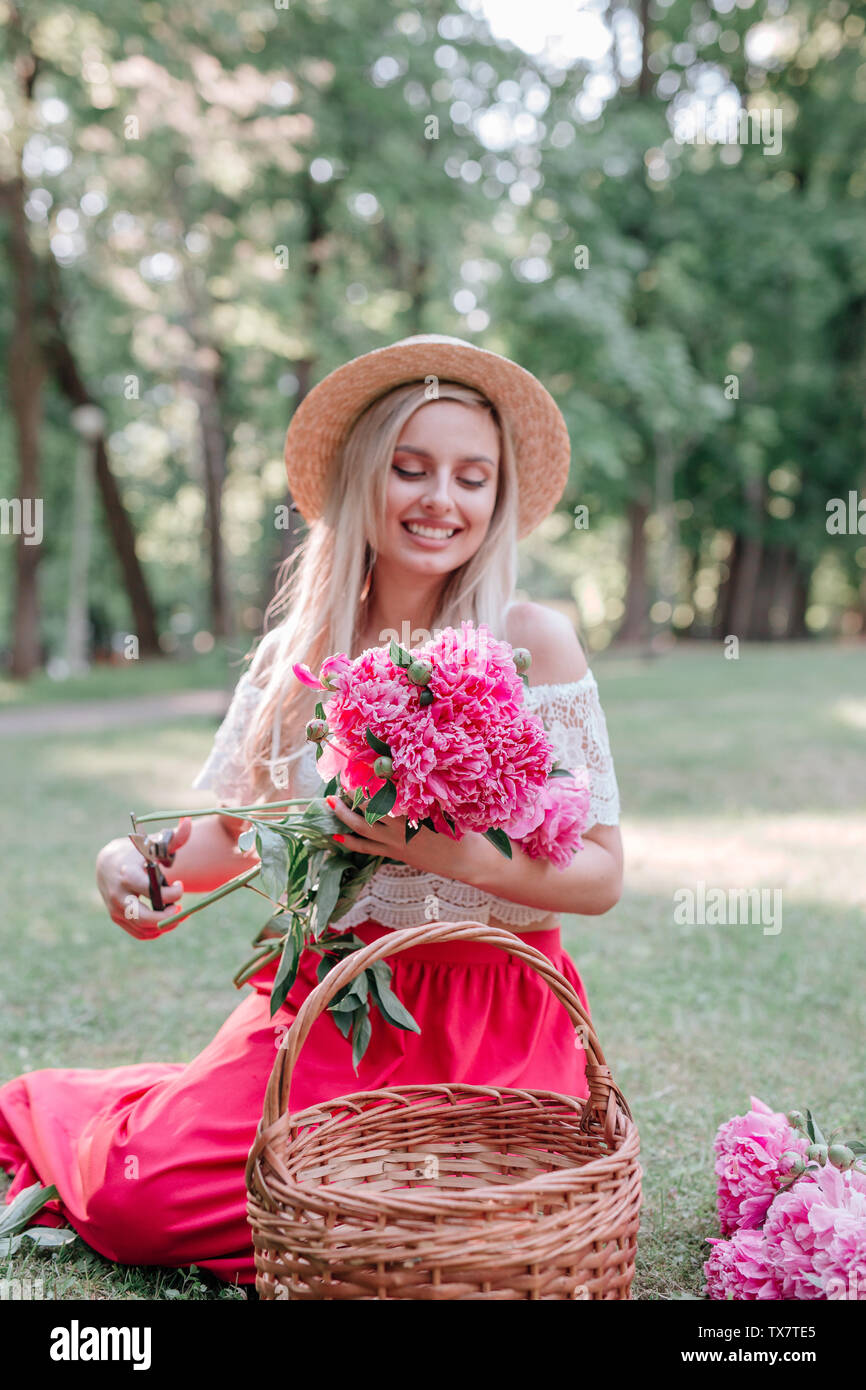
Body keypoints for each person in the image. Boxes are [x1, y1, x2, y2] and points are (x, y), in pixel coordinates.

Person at [0, 334, 623, 1289]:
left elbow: (603, 875)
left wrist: (449, 853)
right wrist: (121, 863)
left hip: (496, 1015)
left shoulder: (531, 642)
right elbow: (222, 845)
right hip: (333, 1004)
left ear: (498, 499)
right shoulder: (297, 661)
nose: (439, 500)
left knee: (463, 1236)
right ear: (364, 481)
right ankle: (90, 1116)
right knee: (140, 1203)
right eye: (410, 469)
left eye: (471, 477)